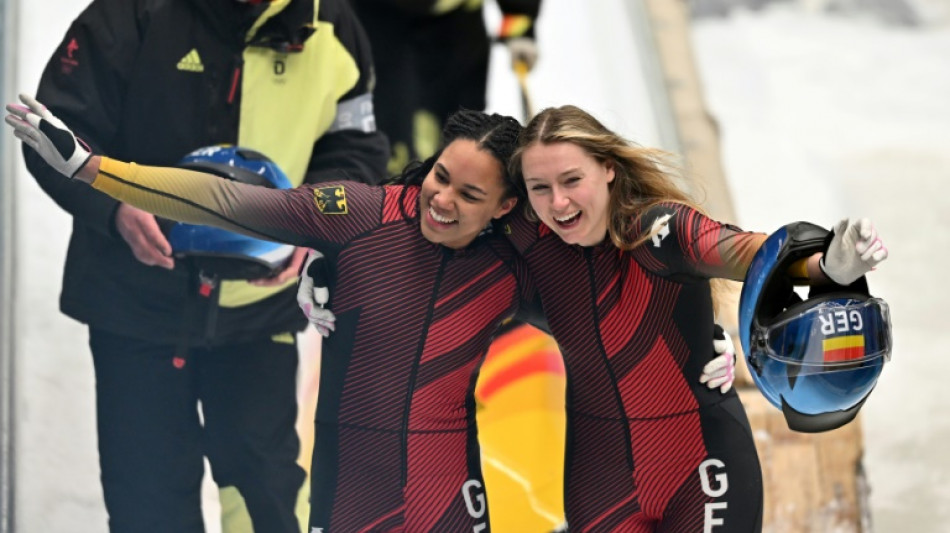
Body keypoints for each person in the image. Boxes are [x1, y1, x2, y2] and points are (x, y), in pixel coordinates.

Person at [7, 99, 737, 531]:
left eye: (468, 196)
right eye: (440, 177)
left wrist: (712, 345)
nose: (441, 200)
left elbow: (618, 300)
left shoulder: (517, 258)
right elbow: (229, 200)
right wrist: (94, 170)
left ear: (508, 208)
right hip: (349, 492)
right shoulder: (360, 216)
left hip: (451, 497)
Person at [18, 0, 389, 530]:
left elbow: (357, 146)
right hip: (135, 304)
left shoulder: (332, 24)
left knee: (266, 489)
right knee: (147, 494)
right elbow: (51, 132)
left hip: (259, 311)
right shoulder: (130, 13)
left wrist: (316, 225)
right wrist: (114, 208)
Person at [503, 104, 888, 531]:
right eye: (540, 187)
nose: (558, 202)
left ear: (608, 169)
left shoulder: (659, 231)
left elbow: (751, 254)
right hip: (598, 480)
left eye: (572, 180)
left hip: (703, 467)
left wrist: (828, 268)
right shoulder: (532, 259)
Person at [350, 0, 542, 173]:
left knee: (461, 134)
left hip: (457, 28)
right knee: (391, 135)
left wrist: (520, 21)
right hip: (380, 22)